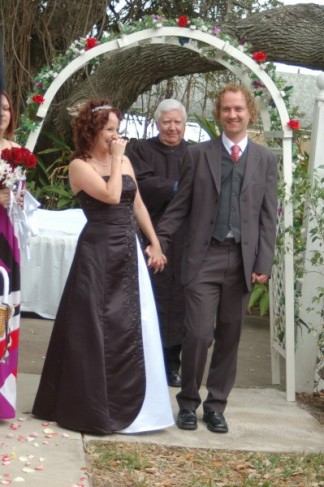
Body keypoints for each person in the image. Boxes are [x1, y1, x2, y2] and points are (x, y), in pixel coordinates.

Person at [32, 99, 174, 435]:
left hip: (128, 250)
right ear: (92, 130)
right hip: (97, 253)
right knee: (93, 326)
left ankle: (138, 403)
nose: (116, 136)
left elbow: (135, 201)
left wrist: (154, 241)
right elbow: (111, 197)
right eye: (110, 129)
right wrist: (114, 159)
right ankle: (92, 403)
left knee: (134, 323)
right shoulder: (79, 166)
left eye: (117, 129)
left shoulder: (123, 159)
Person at [151, 83, 278, 433]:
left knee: (230, 336)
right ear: (218, 114)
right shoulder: (198, 155)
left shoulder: (266, 160)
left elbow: (269, 217)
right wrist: (159, 239)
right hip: (203, 258)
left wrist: (263, 264)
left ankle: (217, 405)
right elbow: (180, 207)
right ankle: (189, 402)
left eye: (238, 109)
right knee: (197, 334)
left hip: (241, 262)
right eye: (226, 110)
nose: (233, 115)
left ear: (248, 112)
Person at [126, 99, 189, 388]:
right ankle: (142, 362)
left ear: (184, 124)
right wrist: (180, 188)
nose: (172, 128)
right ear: (157, 123)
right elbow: (142, 186)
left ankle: (172, 366)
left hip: (185, 239)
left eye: (177, 122)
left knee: (180, 304)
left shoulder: (196, 154)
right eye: (167, 122)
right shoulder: (140, 150)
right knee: (149, 298)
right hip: (147, 235)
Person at [0, 91, 24, 419]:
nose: (2, 113)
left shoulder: (16, 152)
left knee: (4, 312)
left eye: (6, 108)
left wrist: (17, 199)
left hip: (7, 236)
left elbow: (23, 198)